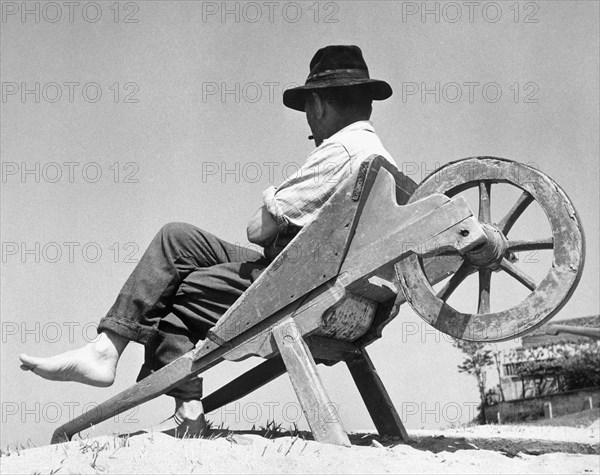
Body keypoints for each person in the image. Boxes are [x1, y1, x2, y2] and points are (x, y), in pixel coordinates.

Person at [19, 45, 396, 437]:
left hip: (300, 291)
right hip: (342, 292)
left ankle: (181, 404)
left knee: (170, 290)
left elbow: (257, 229)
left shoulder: (342, 150)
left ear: (317, 105)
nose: (310, 127)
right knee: (177, 238)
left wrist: (275, 205)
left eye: (308, 112)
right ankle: (107, 349)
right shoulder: (383, 160)